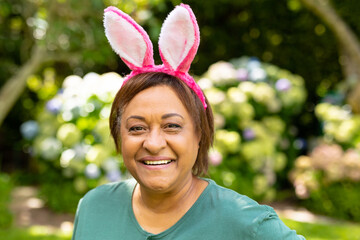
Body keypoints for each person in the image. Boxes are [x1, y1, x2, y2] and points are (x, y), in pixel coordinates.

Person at [71, 4, 306, 240]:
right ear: (119, 136)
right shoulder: (93, 208)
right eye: (137, 128)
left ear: (199, 134)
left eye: (171, 126)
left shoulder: (246, 224)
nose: (153, 144)